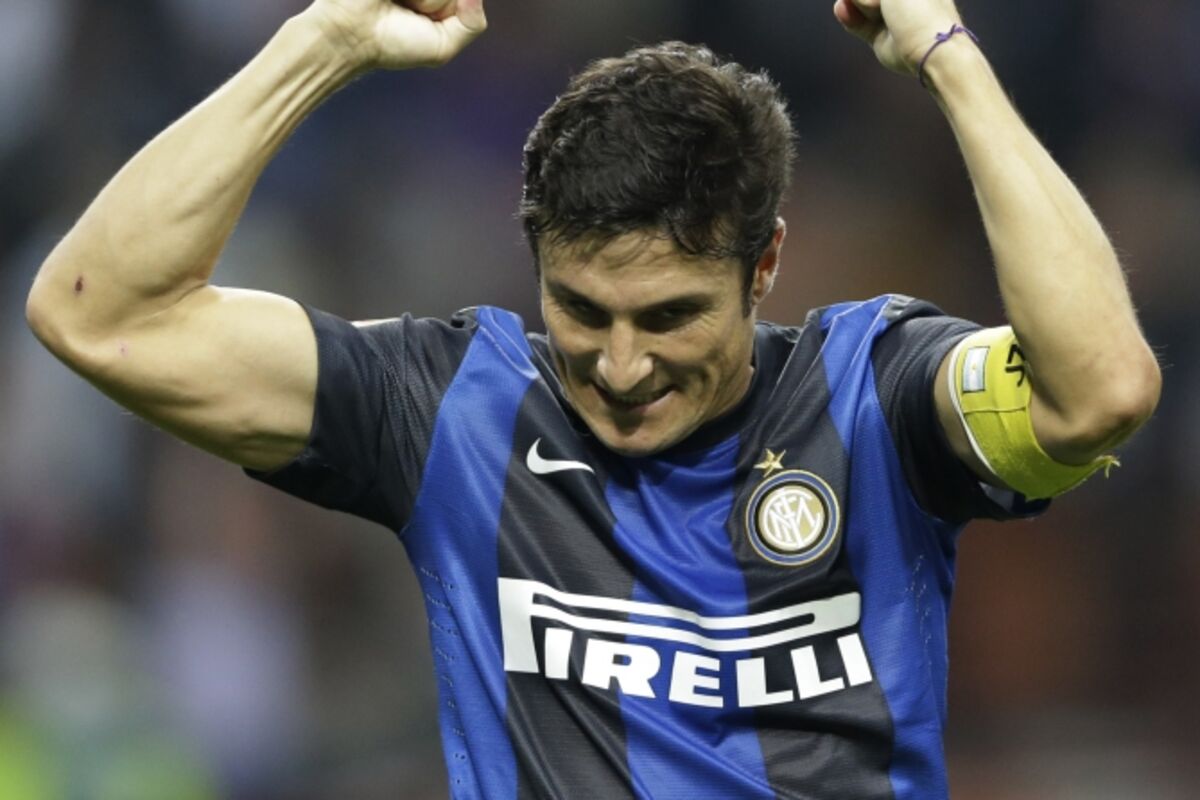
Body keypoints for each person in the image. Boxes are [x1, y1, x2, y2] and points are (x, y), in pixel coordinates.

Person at [26, 0, 1160, 797]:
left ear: (763, 264)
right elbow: (99, 314)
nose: (620, 366)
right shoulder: (456, 409)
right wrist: (319, 43)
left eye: (668, 316)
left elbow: (1101, 386)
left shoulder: (877, 397)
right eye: (581, 310)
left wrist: (952, 62)